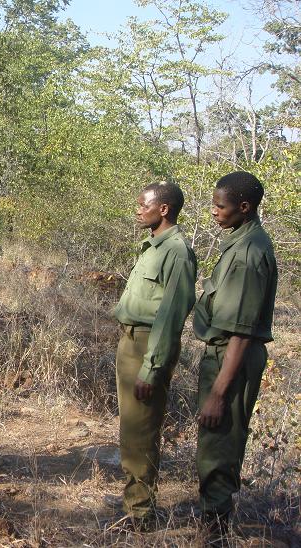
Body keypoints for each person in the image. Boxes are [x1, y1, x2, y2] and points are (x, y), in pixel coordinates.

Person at [193, 171, 277, 534]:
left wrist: (218, 394)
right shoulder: (239, 242)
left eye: (220, 206)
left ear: (244, 207)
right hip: (226, 352)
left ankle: (214, 534)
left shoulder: (247, 254)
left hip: (233, 358)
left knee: (219, 449)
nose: (214, 212)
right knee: (215, 443)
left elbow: (241, 333)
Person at [112, 181, 197, 526]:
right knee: (132, 430)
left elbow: (172, 315)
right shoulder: (152, 247)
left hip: (149, 346)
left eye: (143, 204)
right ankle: (134, 505)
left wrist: (152, 367)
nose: (137, 209)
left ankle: (140, 515)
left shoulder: (176, 251)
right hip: (130, 342)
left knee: (141, 431)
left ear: (164, 209)